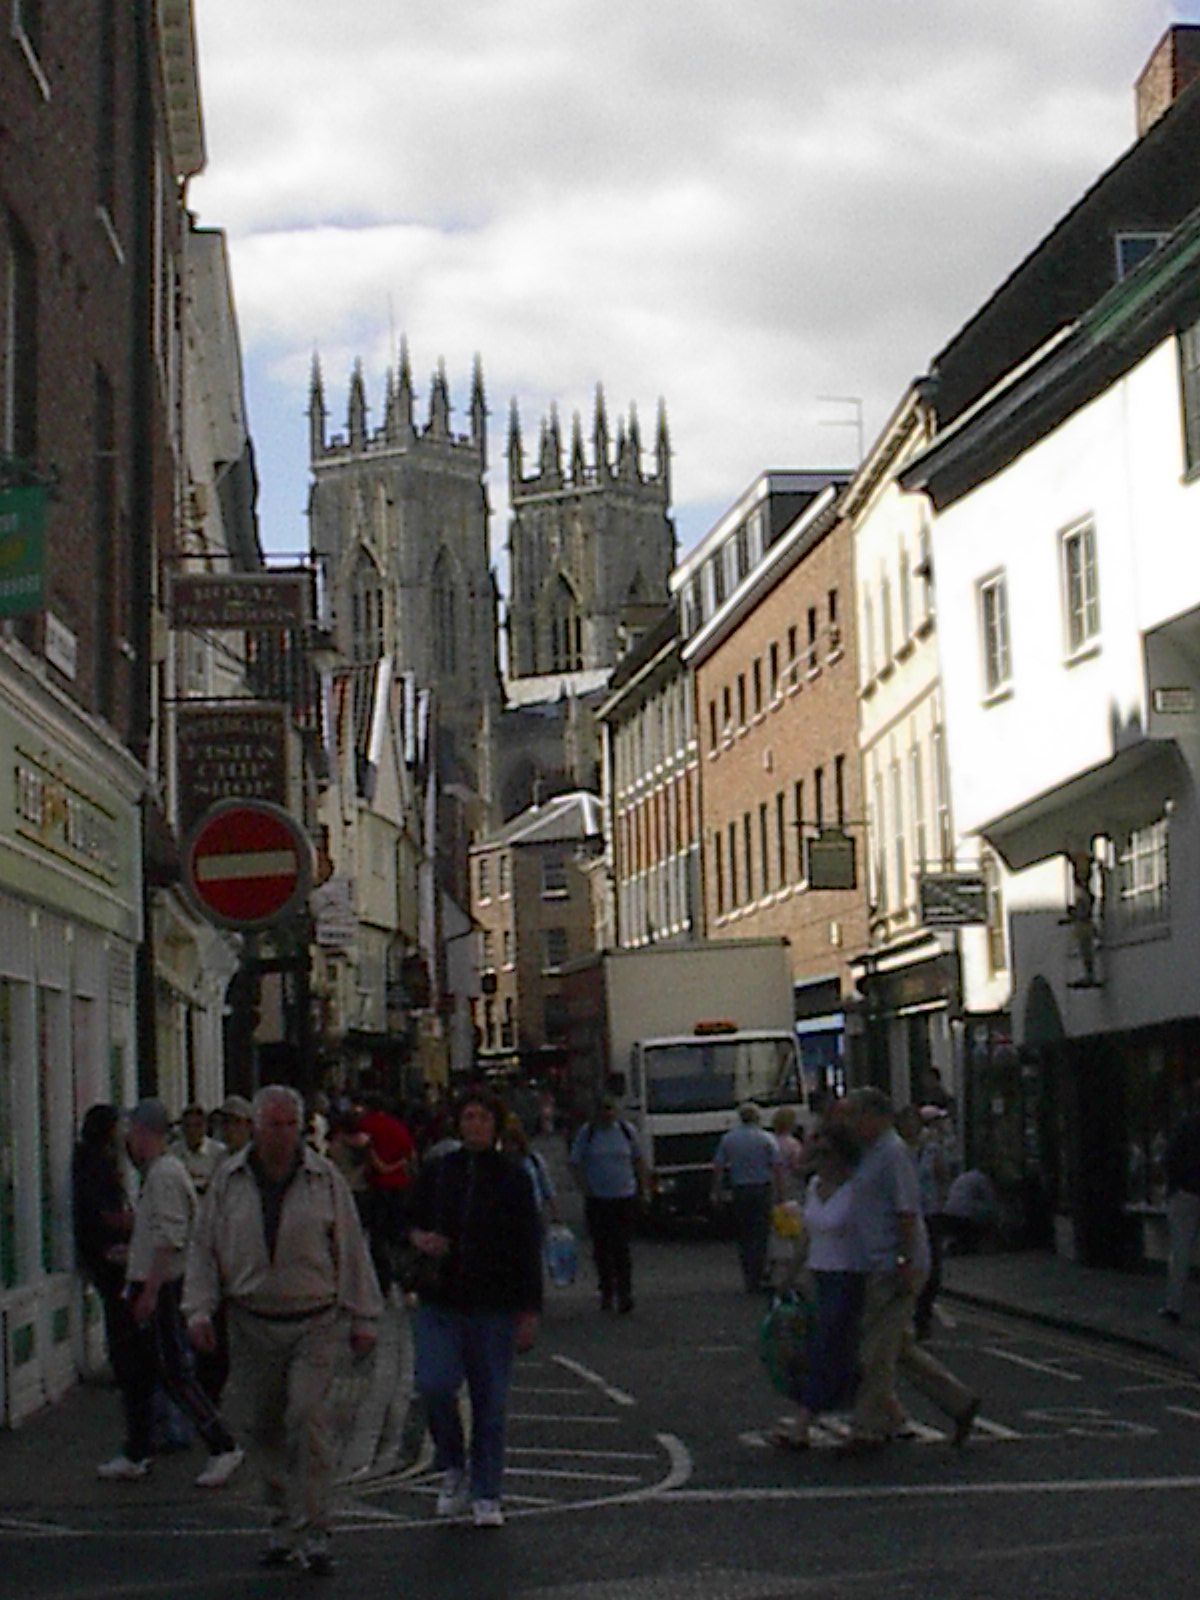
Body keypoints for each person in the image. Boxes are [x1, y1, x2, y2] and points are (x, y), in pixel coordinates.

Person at [185, 1084, 381, 1576]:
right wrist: (199, 1310)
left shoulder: (324, 1179)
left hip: (314, 1319)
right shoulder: (229, 1180)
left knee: (308, 1418)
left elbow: (351, 1246)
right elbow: (204, 1248)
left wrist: (364, 1315)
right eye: (273, 1124)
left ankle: (316, 1528)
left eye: (291, 1124)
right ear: (255, 1127)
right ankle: (281, 1522)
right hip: (251, 1320)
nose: (283, 1134)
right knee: (263, 1425)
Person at [406, 1090, 542, 1528]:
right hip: (441, 1299)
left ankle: (487, 1491)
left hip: (494, 1303)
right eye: (469, 1117)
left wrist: (529, 1310)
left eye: (484, 1117)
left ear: (496, 1125)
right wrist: (420, 1239)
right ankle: (453, 1464)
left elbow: (528, 1245)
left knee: (490, 1402)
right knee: (434, 1384)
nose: (476, 1125)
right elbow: (406, 1218)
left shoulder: (514, 1177)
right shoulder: (439, 1171)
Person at [96, 1099, 243, 1489]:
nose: (128, 1141)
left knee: (174, 1371)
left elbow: (171, 1237)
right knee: (139, 1372)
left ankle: (222, 1445)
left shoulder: (163, 1174)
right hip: (151, 1282)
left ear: (144, 1132)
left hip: (162, 1289)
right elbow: (158, 1234)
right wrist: (132, 1253)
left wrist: (150, 1290)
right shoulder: (162, 1172)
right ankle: (136, 1450)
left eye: (131, 1132)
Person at [840, 1088, 981, 1454]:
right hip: (877, 1261)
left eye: (855, 1115)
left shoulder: (893, 1153)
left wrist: (904, 1260)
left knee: (875, 1351)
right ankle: (959, 1402)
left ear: (874, 1115)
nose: (851, 1123)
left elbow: (906, 1211)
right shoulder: (871, 1152)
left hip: (895, 1264)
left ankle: (867, 1428)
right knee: (898, 1347)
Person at [769, 1123, 866, 1450]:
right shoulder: (814, 1186)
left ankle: (802, 1424)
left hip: (848, 1277)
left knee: (826, 1350)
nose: (819, 1160)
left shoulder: (856, 1189)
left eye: (825, 1153)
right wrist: (789, 1275)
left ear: (842, 1156)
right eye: (816, 1153)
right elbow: (806, 1237)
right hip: (819, 1278)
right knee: (846, 1352)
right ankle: (892, 1416)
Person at [569, 1095, 648, 1313]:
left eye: (610, 1109)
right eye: (603, 1109)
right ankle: (607, 1291)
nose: (607, 1114)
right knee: (602, 1248)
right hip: (598, 1199)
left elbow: (639, 1160)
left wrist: (643, 1188)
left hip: (624, 1196)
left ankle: (625, 1293)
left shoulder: (626, 1131)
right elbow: (575, 1162)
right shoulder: (588, 1133)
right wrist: (585, 1188)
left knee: (622, 1246)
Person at [712, 1103, 784, 1293]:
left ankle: (748, 1274)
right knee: (761, 1233)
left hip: (740, 1189)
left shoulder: (729, 1139)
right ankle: (759, 1273)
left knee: (744, 1233)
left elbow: (719, 1166)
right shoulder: (766, 1138)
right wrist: (780, 1193)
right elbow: (777, 1166)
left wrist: (717, 1191)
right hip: (762, 1188)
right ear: (757, 1118)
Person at [356, 1094, 417, 1297]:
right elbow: (411, 1154)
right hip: (400, 1185)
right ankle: (404, 1278)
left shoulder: (366, 1125)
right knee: (398, 1234)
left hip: (377, 1186)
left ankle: (383, 1282)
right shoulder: (398, 1126)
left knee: (378, 1236)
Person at [1160, 1107, 1200, 1325]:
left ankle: (1173, 1306)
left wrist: (1174, 1185)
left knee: (1180, 1250)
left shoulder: (1187, 1123)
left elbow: (1169, 1157)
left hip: (1184, 1192)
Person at [502, 1114, 562, 1228]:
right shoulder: (501, 1163)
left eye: (513, 1143)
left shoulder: (534, 1160)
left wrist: (555, 1213)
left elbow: (547, 1187)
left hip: (534, 1213)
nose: (510, 1147)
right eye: (506, 1143)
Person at [171, 1104, 226, 1197]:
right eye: (188, 1126)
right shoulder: (173, 1153)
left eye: (197, 1126)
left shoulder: (219, 1153)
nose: (192, 1131)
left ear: (206, 1127)